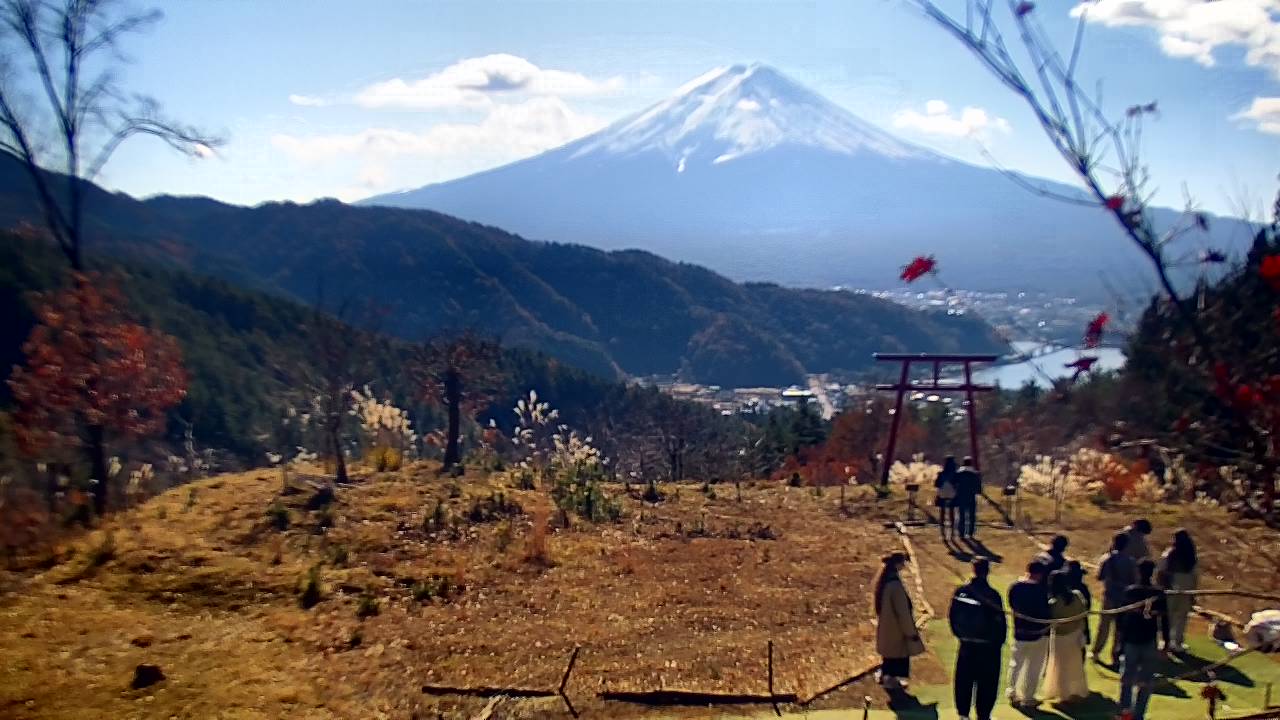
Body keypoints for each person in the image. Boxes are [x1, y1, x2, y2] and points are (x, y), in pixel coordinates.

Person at [950, 557, 1006, 720]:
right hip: (988, 646)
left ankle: (963, 714)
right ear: (987, 571)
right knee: (987, 683)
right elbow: (1000, 623)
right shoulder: (992, 595)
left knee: (964, 680)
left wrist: (961, 636)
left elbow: (953, 617)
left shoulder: (961, 592)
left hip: (967, 644)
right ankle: (983, 714)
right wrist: (998, 642)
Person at [1118, 559, 1169, 720]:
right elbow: (1165, 621)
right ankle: (1138, 714)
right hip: (1149, 640)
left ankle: (1125, 712)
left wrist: (1119, 642)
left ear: (1138, 572)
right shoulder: (1158, 593)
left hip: (1132, 640)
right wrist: (1166, 642)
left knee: (1127, 679)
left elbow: (1121, 620)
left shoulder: (1131, 592)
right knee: (1146, 681)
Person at [874, 552, 924, 690]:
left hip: (888, 628)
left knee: (889, 658)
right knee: (897, 658)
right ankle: (892, 681)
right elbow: (903, 612)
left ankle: (887, 678)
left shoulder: (885, 582)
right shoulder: (895, 586)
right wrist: (911, 632)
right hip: (897, 630)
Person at [1007, 560, 1051, 709]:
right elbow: (1045, 612)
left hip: (1020, 633)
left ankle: (1012, 692)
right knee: (1034, 667)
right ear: (1039, 574)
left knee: (1015, 664)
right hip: (1039, 634)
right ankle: (1028, 697)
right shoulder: (1041, 590)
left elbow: (1012, 605)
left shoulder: (1015, 587)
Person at [1043, 570, 1090, 702]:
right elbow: (1083, 614)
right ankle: (1076, 689)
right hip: (1075, 635)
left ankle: (1063, 692)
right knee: (1075, 664)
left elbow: (1052, 621)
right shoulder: (1077, 596)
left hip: (1060, 637)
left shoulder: (1054, 603)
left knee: (1060, 666)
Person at [1092, 531, 1137, 664]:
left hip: (1109, 597)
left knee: (1104, 627)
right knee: (1120, 629)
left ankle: (1096, 652)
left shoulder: (1107, 558)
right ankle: (1115, 656)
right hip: (1124, 599)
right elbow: (1134, 580)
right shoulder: (1130, 561)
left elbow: (1099, 576)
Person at [1159, 529, 1199, 652]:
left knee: (1169, 615)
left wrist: (1160, 586)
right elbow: (1195, 575)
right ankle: (1177, 642)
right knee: (1182, 617)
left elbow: (1161, 571)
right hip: (1186, 586)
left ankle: (1165, 641)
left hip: (1171, 585)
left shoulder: (1169, 554)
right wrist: (1193, 592)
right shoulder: (1191, 556)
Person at [954, 456, 982, 539]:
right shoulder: (975, 474)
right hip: (971, 496)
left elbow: (955, 485)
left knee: (961, 515)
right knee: (971, 516)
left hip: (961, 496)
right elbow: (978, 488)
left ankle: (961, 532)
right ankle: (970, 533)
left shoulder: (959, 473)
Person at [935, 456, 958, 538]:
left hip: (942, 494)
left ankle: (942, 530)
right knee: (952, 512)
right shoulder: (955, 474)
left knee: (942, 512)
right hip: (952, 494)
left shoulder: (941, 474)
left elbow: (936, 484)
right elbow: (957, 484)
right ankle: (952, 531)